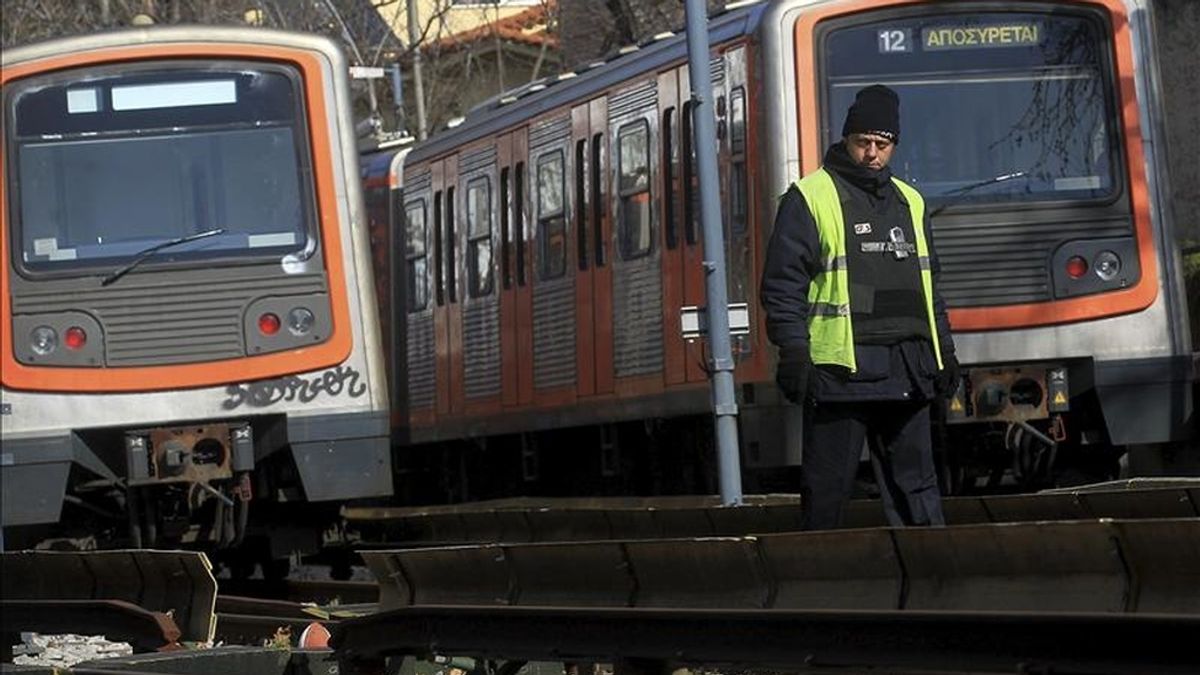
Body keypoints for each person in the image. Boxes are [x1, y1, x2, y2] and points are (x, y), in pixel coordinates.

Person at [760, 84, 958, 530]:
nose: (871, 153)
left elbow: (929, 290)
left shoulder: (911, 201)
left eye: (881, 144)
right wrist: (794, 354)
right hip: (838, 373)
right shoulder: (809, 198)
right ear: (846, 140)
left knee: (918, 491)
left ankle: (929, 580)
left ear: (894, 146)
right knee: (827, 492)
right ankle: (818, 581)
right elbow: (782, 287)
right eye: (862, 142)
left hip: (908, 368)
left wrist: (944, 354)